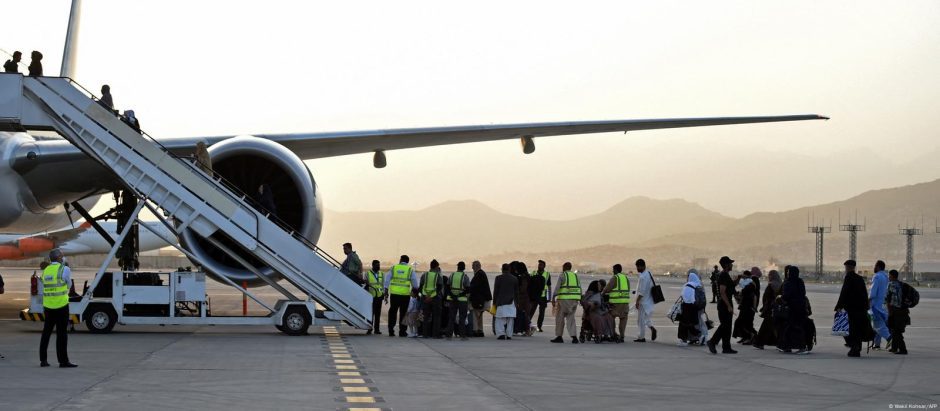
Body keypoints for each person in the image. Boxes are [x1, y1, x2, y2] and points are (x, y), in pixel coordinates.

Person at [39, 249, 77, 368]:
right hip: (61, 306)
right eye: (62, 255)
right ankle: (63, 361)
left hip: (48, 306)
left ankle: (43, 360)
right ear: (59, 257)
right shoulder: (64, 269)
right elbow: (69, 285)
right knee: (61, 334)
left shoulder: (46, 270)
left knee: (46, 333)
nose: (63, 257)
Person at [835, 259, 870, 357]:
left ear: (849, 267)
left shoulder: (849, 277)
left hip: (851, 309)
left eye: (846, 267)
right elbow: (864, 293)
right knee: (857, 329)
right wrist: (866, 306)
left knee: (845, 327)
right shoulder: (859, 278)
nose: (845, 269)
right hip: (860, 309)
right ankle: (856, 348)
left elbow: (844, 292)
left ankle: (853, 346)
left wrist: (839, 306)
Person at [707, 256, 737, 354]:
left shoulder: (725, 275)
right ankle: (712, 342)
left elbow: (730, 287)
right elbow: (723, 292)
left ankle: (726, 347)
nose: (732, 265)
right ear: (726, 265)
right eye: (730, 263)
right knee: (725, 325)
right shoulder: (723, 275)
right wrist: (728, 305)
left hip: (726, 303)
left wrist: (738, 280)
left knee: (727, 327)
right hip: (724, 304)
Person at [384, 255, 418, 337]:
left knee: (392, 312)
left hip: (394, 295)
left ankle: (391, 330)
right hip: (405, 295)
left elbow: (387, 279)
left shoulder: (394, 268)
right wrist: (415, 294)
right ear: (407, 261)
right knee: (403, 313)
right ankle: (402, 332)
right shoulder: (410, 270)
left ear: (401, 260)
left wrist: (386, 291)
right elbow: (415, 283)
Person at [779, 265, 809, 354]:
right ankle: (789, 346)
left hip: (792, 308)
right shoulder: (800, 281)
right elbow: (803, 293)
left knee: (791, 327)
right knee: (796, 327)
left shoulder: (788, 282)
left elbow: (786, 295)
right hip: (801, 307)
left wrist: (781, 298)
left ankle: (798, 346)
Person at [550, 262, 581, 344]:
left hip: (564, 300)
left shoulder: (563, 275)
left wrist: (553, 297)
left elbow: (557, 287)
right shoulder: (576, 276)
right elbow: (579, 288)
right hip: (574, 300)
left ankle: (559, 336)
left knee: (560, 318)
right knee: (571, 318)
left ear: (564, 267)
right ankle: (574, 337)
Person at [753, 269, 783, 349]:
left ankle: (759, 343)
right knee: (775, 327)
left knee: (765, 327)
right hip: (776, 309)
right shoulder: (780, 284)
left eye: (770, 275)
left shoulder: (771, 285)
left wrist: (765, 306)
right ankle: (776, 342)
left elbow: (768, 297)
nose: (768, 276)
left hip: (770, 309)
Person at [602, 263, 631, 343]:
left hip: (615, 303)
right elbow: (628, 289)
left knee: (611, 317)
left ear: (616, 270)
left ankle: (613, 334)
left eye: (613, 270)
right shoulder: (625, 278)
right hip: (625, 302)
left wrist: (601, 294)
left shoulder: (615, 278)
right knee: (623, 319)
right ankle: (622, 336)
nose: (612, 271)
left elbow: (607, 288)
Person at [492, 263, 519, 340]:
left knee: (499, 319)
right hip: (512, 302)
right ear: (509, 269)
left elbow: (496, 292)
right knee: (510, 320)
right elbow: (517, 292)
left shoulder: (498, 278)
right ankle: (509, 334)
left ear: (502, 269)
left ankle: (501, 334)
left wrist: (494, 303)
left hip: (501, 302)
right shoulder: (514, 279)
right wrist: (517, 303)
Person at [677, 269, 704, 346]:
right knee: (691, 325)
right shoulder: (698, 285)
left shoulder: (688, 285)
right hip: (694, 308)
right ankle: (700, 336)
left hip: (687, 307)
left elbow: (683, 295)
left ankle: (684, 341)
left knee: (685, 325)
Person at [634, 259, 658, 342]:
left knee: (640, 320)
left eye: (638, 267)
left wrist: (637, 301)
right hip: (649, 301)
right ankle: (652, 328)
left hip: (643, 302)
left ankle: (641, 337)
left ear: (643, 266)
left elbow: (642, 291)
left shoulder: (643, 277)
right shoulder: (649, 273)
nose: (637, 268)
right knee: (646, 319)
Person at [446, 261, 471, 340]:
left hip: (452, 299)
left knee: (451, 317)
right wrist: (459, 295)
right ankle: (462, 335)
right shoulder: (465, 276)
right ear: (464, 268)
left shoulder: (452, 275)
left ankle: (449, 335)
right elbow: (468, 289)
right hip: (462, 300)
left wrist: (453, 295)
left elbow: (447, 287)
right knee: (462, 317)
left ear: (457, 267)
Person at [885, 270, 909, 355]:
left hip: (895, 311)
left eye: (889, 276)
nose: (888, 277)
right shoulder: (901, 284)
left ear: (891, 276)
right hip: (904, 311)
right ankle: (894, 347)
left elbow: (887, 299)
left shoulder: (891, 284)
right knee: (895, 329)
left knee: (896, 331)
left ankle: (903, 349)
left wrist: (889, 312)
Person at [419, 259, 444, 339]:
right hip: (435, 299)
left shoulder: (424, 275)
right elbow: (439, 288)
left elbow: (420, 287)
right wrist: (431, 296)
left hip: (425, 298)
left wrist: (426, 296)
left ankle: (425, 334)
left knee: (426, 317)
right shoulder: (438, 276)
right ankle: (435, 334)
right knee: (437, 317)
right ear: (437, 267)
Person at [869, 260, 891, 350]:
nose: (874, 267)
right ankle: (876, 344)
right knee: (878, 325)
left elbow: (873, 292)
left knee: (877, 324)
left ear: (878, 267)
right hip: (883, 305)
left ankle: (889, 338)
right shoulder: (886, 277)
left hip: (875, 305)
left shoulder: (877, 277)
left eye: (875, 266)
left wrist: (868, 300)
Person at [732, 270, 758, 345]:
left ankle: (751, 337)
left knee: (744, 323)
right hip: (745, 308)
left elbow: (743, 292)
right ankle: (746, 337)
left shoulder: (751, 285)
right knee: (743, 323)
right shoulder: (749, 286)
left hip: (748, 309)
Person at [469, 261, 492, 337]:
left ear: (476, 266)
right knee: (479, 315)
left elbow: (474, 287)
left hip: (480, 300)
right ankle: (480, 330)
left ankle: (475, 330)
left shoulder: (479, 274)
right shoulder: (482, 273)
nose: (472, 268)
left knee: (475, 314)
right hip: (484, 299)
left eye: (473, 266)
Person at [529, 260, 551, 332]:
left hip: (543, 296)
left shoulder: (547, 274)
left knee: (542, 313)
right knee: (531, 311)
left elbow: (549, 286)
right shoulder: (533, 273)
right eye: (539, 264)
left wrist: (549, 297)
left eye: (541, 265)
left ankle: (539, 326)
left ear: (544, 266)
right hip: (534, 296)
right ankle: (527, 324)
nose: (539, 266)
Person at [363, 260, 384, 335]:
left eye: (379, 265)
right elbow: (365, 282)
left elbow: (383, 285)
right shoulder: (367, 273)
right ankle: (369, 328)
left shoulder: (381, 273)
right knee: (371, 314)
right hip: (371, 296)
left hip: (379, 296)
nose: (378, 266)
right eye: (377, 265)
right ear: (373, 265)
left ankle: (377, 329)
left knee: (378, 314)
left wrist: (383, 294)